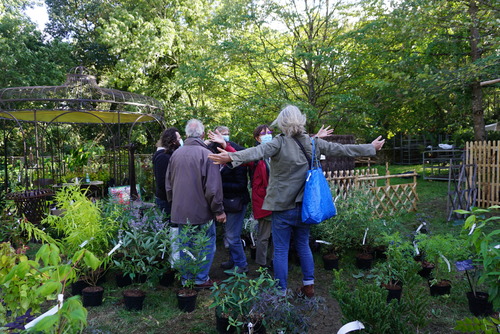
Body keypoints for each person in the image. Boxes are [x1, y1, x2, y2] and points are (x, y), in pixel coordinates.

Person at [208, 105, 385, 297]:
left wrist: (230, 157)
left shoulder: (279, 143)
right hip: (305, 207)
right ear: (301, 120)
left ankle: (281, 291)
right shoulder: (313, 143)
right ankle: (309, 286)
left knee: (281, 249)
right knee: (302, 244)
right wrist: (371, 147)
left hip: (282, 207)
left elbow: (255, 152)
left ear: (281, 123)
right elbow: (342, 149)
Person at [165, 119, 227, 289]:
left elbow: (168, 184)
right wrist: (219, 210)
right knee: (207, 243)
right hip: (202, 212)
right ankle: (200, 278)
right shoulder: (206, 154)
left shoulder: (176, 154)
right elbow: (213, 189)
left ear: (186, 135)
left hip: (179, 211)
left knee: (185, 245)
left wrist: (175, 203)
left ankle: (186, 278)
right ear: (201, 134)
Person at [208, 126, 250, 275]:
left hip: (236, 201)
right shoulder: (211, 151)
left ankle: (241, 265)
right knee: (228, 234)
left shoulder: (235, 154)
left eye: (227, 134)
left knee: (233, 236)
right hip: (224, 201)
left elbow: (241, 185)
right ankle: (233, 260)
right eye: (222, 134)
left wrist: (218, 183)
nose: (225, 136)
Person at [153, 127, 182, 218]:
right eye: (179, 138)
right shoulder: (163, 157)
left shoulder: (168, 154)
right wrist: (171, 196)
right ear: (173, 141)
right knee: (169, 227)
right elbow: (162, 182)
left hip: (169, 198)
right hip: (165, 200)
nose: (181, 141)